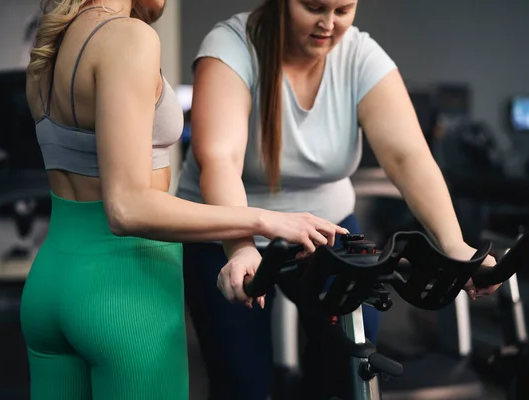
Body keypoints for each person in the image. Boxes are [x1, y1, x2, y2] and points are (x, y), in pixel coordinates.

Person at [19, 1, 347, 399]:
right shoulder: (127, 37)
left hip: (49, 284)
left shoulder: (51, 44)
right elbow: (127, 208)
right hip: (123, 293)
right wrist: (264, 220)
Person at [177, 0, 501, 399]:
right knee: (244, 382)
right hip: (225, 229)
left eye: (343, 9)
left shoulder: (361, 57)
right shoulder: (231, 47)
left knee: (346, 365)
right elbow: (220, 160)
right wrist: (240, 246)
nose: (328, 23)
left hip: (327, 227)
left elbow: (409, 157)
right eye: (314, 7)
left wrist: (455, 248)